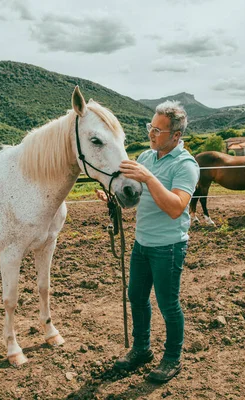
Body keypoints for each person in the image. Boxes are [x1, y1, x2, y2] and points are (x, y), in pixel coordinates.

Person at [97, 101, 200, 383]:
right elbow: (135, 199)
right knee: (137, 297)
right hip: (142, 244)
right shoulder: (145, 157)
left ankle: (172, 358)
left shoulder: (186, 165)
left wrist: (149, 177)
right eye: (149, 127)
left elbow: (176, 207)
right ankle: (141, 350)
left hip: (168, 247)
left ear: (176, 136)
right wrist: (115, 199)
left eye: (157, 129)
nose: (151, 134)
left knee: (168, 305)